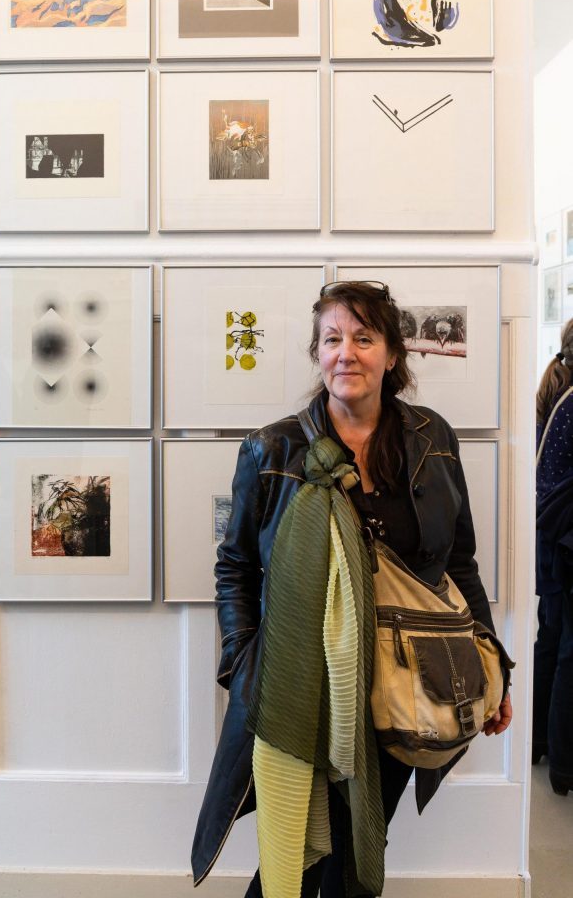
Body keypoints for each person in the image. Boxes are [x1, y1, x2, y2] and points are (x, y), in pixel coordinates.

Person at [191, 280, 512, 898]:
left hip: (405, 683)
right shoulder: (273, 448)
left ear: (391, 354)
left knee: (359, 849)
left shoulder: (434, 439)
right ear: (317, 353)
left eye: (364, 338)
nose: (347, 353)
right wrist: (242, 662)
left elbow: (459, 563)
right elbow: (235, 567)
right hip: (303, 684)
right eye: (332, 338)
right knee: (296, 852)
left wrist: (491, 660)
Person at [533, 318, 573, 797]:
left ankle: (540, 742)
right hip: (565, 540)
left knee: (553, 639)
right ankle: (564, 767)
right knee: (568, 650)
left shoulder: (558, 393)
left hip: (552, 536)